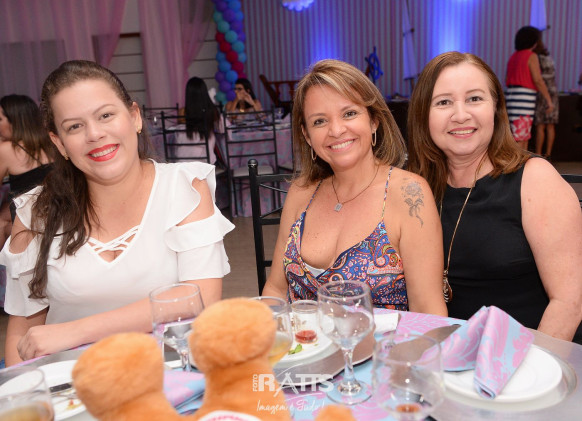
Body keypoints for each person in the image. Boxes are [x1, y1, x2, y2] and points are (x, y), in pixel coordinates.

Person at [1, 60, 235, 365]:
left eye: (106, 115)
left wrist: (75, 331)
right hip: (70, 383)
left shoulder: (184, 189)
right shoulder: (35, 213)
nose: (94, 134)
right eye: (74, 126)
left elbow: (199, 298)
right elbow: (22, 335)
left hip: (172, 375)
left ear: (134, 117)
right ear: (59, 143)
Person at [407, 51, 582, 341]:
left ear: (496, 108)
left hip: (530, 357)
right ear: (423, 115)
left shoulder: (535, 179)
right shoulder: (415, 188)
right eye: (444, 102)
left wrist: (526, 366)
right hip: (446, 356)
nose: (460, 115)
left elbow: (569, 304)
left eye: (474, 98)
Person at [261, 59, 447, 316]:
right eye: (319, 121)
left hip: (384, 343)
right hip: (301, 341)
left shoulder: (409, 194)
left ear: (374, 120)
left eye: (349, 113)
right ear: (306, 136)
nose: (336, 130)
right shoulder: (301, 192)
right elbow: (275, 289)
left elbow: (428, 309)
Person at [0, 95, 55, 226]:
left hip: (32, 218)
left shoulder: (6, 149)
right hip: (60, 208)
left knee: (2, 219)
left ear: (15, 121)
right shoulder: (52, 141)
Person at [505, 26, 554, 151]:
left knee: (517, 133)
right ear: (534, 41)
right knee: (522, 134)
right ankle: (519, 161)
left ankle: (521, 160)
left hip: (511, 97)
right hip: (525, 98)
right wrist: (548, 100)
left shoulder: (513, 56)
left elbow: (506, 79)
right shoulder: (531, 56)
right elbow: (538, 80)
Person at [172, 77, 223, 164]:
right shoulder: (211, 110)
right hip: (204, 161)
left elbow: (180, 131)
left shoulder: (182, 112)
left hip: (183, 160)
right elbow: (221, 128)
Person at [533, 39, 559, 160]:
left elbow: (538, 78)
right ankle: (548, 154)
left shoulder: (535, 58)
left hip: (542, 92)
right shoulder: (549, 58)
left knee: (540, 125)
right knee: (550, 125)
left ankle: (538, 155)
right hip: (553, 92)